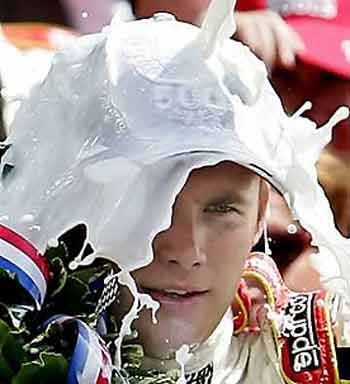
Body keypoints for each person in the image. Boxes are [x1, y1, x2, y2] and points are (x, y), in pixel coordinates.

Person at [1, 0, 350, 383]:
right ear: (69, 196)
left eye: (221, 210)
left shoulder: (323, 354)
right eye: (147, 201)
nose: (185, 251)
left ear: (259, 216)